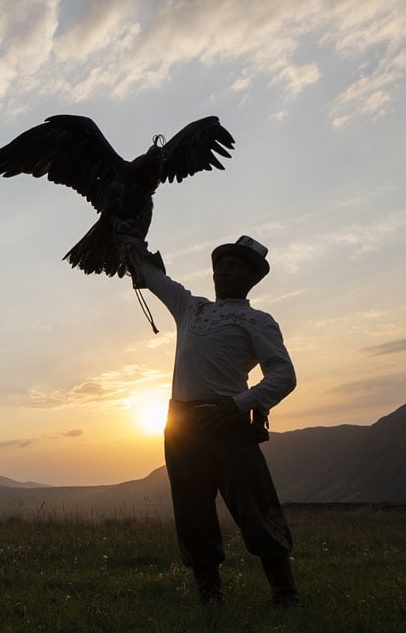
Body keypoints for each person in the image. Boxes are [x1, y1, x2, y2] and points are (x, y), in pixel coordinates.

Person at [124, 234, 300, 608]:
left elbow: (283, 374)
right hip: (180, 424)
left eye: (235, 265)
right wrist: (128, 239)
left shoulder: (259, 320)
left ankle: (285, 595)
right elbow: (153, 277)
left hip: (228, 421)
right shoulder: (192, 307)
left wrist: (241, 404)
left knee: (255, 506)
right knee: (192, 511)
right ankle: (210, 597)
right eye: (220, 265)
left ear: (253, 277)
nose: (223, 271)